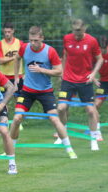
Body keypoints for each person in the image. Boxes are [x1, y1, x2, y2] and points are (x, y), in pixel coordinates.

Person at [10, 26, 77, 159]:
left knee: (54, 118)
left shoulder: (50, 51)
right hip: (27, 91)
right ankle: (9, 150)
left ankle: (69, 149)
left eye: (35, 40)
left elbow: (59, 71)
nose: (33, 44)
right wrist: (17, 77)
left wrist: (42, 70)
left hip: (45, 91)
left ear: (42, 38)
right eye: (31, 40)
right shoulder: (24, 47)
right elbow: (17, 59)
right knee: (17, 118)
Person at [56, 19, 103, 150]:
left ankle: (93, 139)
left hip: (85, 81)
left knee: (91, 111)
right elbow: (65, 55)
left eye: (79, 31)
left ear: (84, 29)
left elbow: (100, 59)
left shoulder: (92, 41)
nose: (76, 34)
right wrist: (63, 72)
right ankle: (62, 135)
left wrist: (93, 74)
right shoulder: (67, 38)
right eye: (74, 31)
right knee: (61, 108)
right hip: (68, 80)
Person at [0, 22, 24, 96]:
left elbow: (26, 58)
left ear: (13, 31)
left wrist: (25, 74)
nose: (7, 34)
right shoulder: (0, 44)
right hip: (4, 76)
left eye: (9, 32)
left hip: (18, 77)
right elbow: (0, 61)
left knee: (18, 100)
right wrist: (14, 57)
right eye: (5, 32)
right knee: (3, 100)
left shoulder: (20, 43)